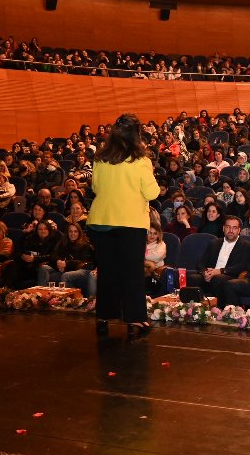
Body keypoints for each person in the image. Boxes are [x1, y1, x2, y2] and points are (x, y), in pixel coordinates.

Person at [87, 113, 160, 337]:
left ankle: (103, 317)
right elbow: (152, 192)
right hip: (130, 223)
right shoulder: (141, 161)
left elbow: (96, 188)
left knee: (107, 272)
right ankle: (135, 320)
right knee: (131, 273)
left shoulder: (100, 158)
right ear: (136, 135)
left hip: (100, 222)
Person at [188, 216, 250, 308]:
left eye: (234, 228)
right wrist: (204, 272)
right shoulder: (214, 243)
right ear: (223, 228)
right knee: (192, 278)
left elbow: (243, 266)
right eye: (228, 227)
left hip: (229, 276)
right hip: (209, 275)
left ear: (239, 230)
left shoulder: (246, 246)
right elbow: (200, 263)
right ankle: (194, 311)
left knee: (217, 279)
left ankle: (218, 310)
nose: (231, 230)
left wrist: (220, 271)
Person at [38, 221, 93, 288]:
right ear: (67, 232)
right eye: (70, 231)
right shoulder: (63, 242)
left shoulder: (85, 245)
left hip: (76, 270)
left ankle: (67, 297)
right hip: (61, 268)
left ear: (79, 233)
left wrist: (66, 264)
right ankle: (43, 294)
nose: (73, 234)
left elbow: (83, 261)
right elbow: (53, 255)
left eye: (75, 231)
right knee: (44, 268)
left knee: (66, 275)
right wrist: (58, 261)